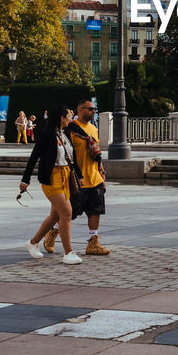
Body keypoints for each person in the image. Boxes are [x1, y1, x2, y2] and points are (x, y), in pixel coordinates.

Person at [19, 108, 84, 265]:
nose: (71, 118)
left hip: (66, 176)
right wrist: (25, 180)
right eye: (69, 116)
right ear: (61, 117)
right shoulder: (47, 134)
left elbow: (71, 157)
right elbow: (34, 157)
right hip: (51, 178)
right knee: (67, 212)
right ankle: (68, 252)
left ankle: (33, 242)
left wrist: (79, 176)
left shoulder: (65, 133)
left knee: (56, 215)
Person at [63, 99, 111, 256]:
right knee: (69, 212)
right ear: (81, 110)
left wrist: (101, 172)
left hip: (94, 177)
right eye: (91, 109)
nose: (94, 111)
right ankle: (53, 232)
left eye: (95, 109)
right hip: (77, 179)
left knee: (95, 210)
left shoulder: (93, 128)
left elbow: (96, 153)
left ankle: (93, 242)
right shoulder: (70, 129)